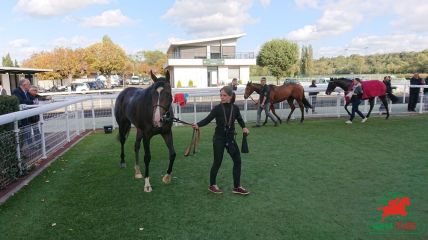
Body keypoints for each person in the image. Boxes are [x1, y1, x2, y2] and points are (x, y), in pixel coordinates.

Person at [192, 86, 250, 195]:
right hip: (218, 139)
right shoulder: (217, 108)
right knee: (217, 162)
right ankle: (212, 185)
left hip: (230, 139)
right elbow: (208, 119)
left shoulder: (235, 108)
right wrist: (198, 125)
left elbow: (240, 119)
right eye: (221, 95)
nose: (222, 97)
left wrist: (244, 127)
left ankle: (237, 187)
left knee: (237, 161)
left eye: (224, 95)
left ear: (230, 96)